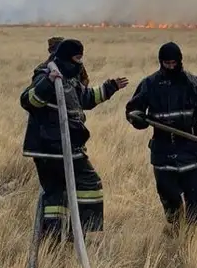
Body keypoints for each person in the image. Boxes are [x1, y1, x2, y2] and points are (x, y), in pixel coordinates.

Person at [20, 38, 128, 244]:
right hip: (53, 147)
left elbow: (86, 98)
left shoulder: (69, 78)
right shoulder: (45, 74)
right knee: (90, 183)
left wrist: (110, 87)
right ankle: (77, 234)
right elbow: (28, 101)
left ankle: (53, 240)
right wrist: (49, 82)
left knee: (56, 195)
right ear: (67, 57)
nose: (80, 63)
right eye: (77, 58)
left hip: (62, 146)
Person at [125, 41, 197, 233]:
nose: (171, 66)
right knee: (170, 201)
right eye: (167, 63)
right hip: (163, 153)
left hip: (192, 153)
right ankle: (175, 231)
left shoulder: (193, 84)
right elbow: (133, 110)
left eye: (174, 63)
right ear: (161, 62)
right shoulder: (149, 85)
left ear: (180, 61)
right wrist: (137, 118)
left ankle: (195, 238)